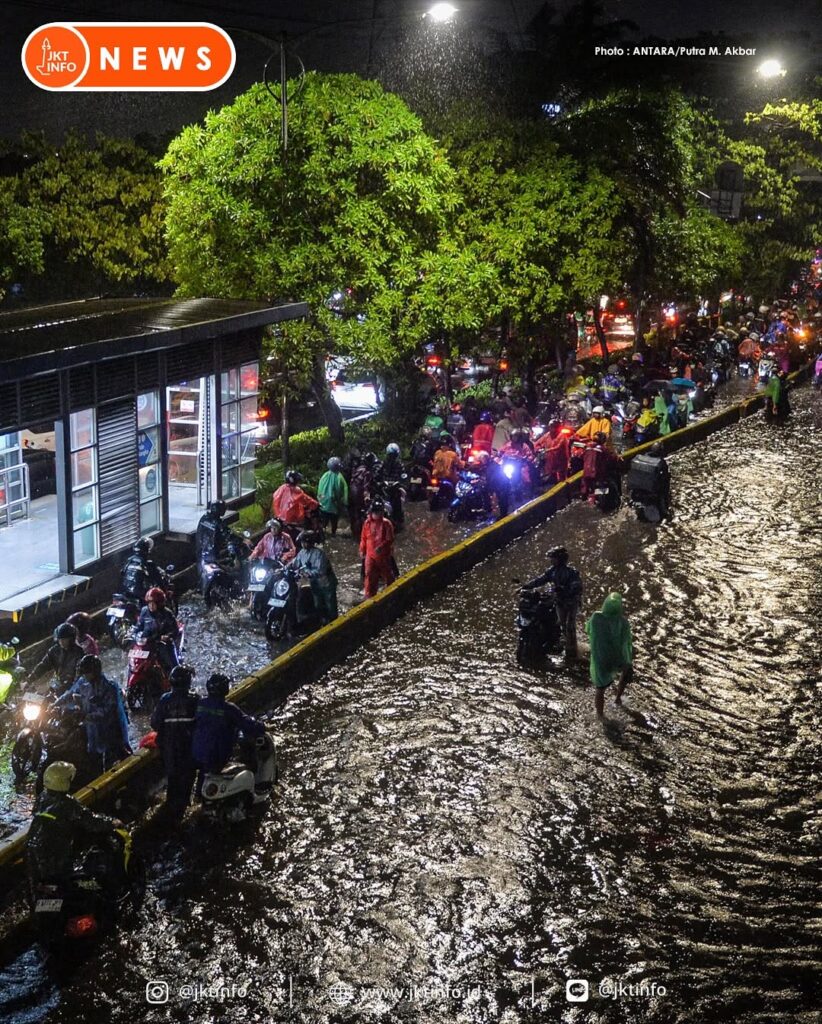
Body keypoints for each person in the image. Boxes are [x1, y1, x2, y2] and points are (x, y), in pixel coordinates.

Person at [27, 761, 120, 888]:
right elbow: (91, 822)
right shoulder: (68, 804)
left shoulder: (42, 797)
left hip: (33, 848)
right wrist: (112, 823)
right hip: (56, 851)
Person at [56, 655, 131, 774]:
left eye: (87, 673)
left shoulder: (109, 687)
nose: (85, 676)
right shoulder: (82, 683)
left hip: (111, 731)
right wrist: (56, 704)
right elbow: (70, 694)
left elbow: (108, 710)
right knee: (94, 763)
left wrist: (87, 716)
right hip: (93, 731)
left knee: (117, 759)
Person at [192, 674, 266, 784]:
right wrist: (262, 726)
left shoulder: (200, 704)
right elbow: (247, 724)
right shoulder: (229, 709)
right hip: (217, 756)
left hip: (196, 754)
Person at [150, 665, 199, 818]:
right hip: (188, 749)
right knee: (187, 780)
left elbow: (155, 723)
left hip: (169, 750)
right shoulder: (195, 700)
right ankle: (184, 807)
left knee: (172, 780)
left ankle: (170, 808)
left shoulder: (165, 700)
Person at [523, 546, 583, 659]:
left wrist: (564, 589)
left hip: (571, 603)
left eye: (553, 558)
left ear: (560, 559)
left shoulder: (572, 572)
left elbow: (577, 587)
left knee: (570, 626)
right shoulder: (552, 571)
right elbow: (540, 580)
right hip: (559, 602)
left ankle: (572, 650)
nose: (551, 561)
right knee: (562, 625)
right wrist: (526, 586)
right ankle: (565, 642)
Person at [585, 591, 634, 718]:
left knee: (600, 689)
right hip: (617, 658)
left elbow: (588, 630)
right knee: (626, 671)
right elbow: (626, 642)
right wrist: (626, 659)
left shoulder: (596, 617)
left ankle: (600, 715)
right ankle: (618, 698)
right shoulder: (623, 622)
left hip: (601, 658)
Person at [292, 531, 338, 624]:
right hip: (315, 583)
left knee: (330, 604)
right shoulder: (302, 552)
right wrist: (284, 568)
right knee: (317, 604)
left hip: (326, 583)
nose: (303, 544)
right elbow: (295, 563)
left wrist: (307, 573)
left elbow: (321, 571)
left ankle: (335, 622)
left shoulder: (319, 554)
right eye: (302, 542)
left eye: (305, 542)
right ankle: (321, 622)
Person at [27, 622, 85, 696]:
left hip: (72, 690)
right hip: (57, 684)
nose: (61, 642)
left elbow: (79, 677)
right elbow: (43, 665)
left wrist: (66, 689)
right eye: (60, 639)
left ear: (71, 638)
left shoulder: (79, 653)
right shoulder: (55, 651)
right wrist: (29, 680)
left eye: (64, 639)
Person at [359, 499, 397, 599]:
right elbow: (363, 538)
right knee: (369, 575)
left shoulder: (386, 524)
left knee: (388, 575)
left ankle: (391, 594)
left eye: (379, 512)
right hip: (370, 555)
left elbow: (390, 539)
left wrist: (381, 547)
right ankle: (369, 596)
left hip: (383, 555)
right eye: (376, 512)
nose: (377, 515)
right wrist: (362, 550)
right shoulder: (367, 523)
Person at [137, 587, 181, 673]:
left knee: (174, 666)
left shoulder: (167, 613)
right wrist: (133, 634)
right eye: (149, 603)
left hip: (162, 643)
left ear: (160, 603)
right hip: (147, 642)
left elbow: (175, 630)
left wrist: (167, 636)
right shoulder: (144, 611)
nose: (151, 606)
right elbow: (139, 626)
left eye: (153, 603)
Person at [119, 538, 166, 604]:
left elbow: (122, 573)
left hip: (126, 591)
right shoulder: (148, 564)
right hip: (140, 594)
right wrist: (163, 591)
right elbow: (158, 579)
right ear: (147, 550)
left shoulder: (129, 561)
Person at [317, 457, 349, 537]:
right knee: (334, 520)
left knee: (324, 521)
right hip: (334, 505)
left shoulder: (324, 475)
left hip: (323, 504)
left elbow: (319, 490)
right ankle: (333, 533)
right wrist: (344, 502)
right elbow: (344, 490)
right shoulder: (339, 477)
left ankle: (323, 532)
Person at [535, 420, 570, 486]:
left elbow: (558, 447)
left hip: (560, 460)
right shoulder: (548, 434)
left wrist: (547, 450)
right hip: (550, 459)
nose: (552, 429)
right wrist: (537, 448)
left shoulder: (562, 436)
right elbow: (538, 442)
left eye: (554, 427)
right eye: (551, 427)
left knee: (561, 479)